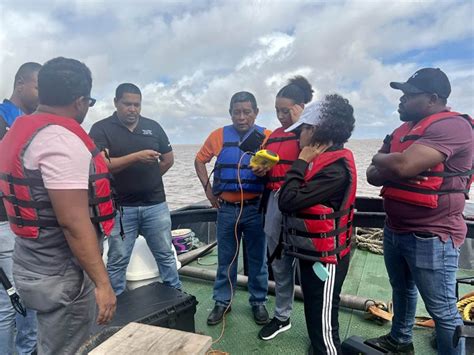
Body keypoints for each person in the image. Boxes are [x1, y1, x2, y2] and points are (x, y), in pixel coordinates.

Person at [0, 57, 117, 354]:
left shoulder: (18, 129)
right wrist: (103, 284)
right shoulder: (61, 141)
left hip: (30, 263)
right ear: (79, 102)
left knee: (48, 342)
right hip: (61, 275)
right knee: (67, 348)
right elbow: (73, 223)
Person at [366, 68, 472, 355]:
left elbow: (399, 166)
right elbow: (372, 175)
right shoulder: (402, 131)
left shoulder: (453, 127)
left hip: (432, 235)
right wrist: (391, 164)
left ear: (433, 98)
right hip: (395, 228)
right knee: (401, 289)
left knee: (442, 310)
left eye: (408, 95)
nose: (400, 101)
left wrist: (386, 160)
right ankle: (400, 340)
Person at [278, 94, 356, 355]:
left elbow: (287, 200)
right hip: (312, 252)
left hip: (326, 258)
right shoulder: (323, 163)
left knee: (324, 325)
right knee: (314, 306)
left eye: (301, 131)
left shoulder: (334, 170)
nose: (297, 137)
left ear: (313, 131)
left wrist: (300, 160)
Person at [89, 83, 181, 295]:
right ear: (116, 103)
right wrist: (137, 157)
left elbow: (167, 160)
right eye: (127, 104)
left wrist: (149, 179)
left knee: (166, 255)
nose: (132, 109)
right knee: (118, 260)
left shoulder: (153, 127)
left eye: (136, 105)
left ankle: (176, 296)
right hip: (121, 208)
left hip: (155, 205)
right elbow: (101, 165)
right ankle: (118, 308)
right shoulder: (101, 129)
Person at [194, 91, 271, 326]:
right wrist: (209, 192)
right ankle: (222, 301)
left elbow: (279, 169)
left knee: (258, 259)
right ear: (230, 113)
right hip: (227, 208)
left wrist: (267, 171)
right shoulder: (218, 135)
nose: (241, 117)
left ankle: (258, 302)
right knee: (226, 258)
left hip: (256, 208)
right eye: (236, 112)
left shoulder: (266, 136)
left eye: (247, 112)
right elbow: (199, 160)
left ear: (256, 113)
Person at [257, 76, 312, 341]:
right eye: (277, 110)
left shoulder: (312, 132)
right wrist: (259, 170)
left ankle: (318, 322)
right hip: (275, 202)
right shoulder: (274, 136)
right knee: (279, 263)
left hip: (303, 203)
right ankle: (282, 316)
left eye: (286, 110)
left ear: (301, 106)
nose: (280, 116)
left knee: (311, 266)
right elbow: (268, 171)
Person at [0, 61, 41, 355]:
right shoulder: (3, 119)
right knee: (7, 302)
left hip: (29, 222)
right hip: (6, 224)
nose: (42, 93)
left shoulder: (32, 121)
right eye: (38, 86)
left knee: (31, 297)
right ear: (20, 84)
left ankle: (27, 351)